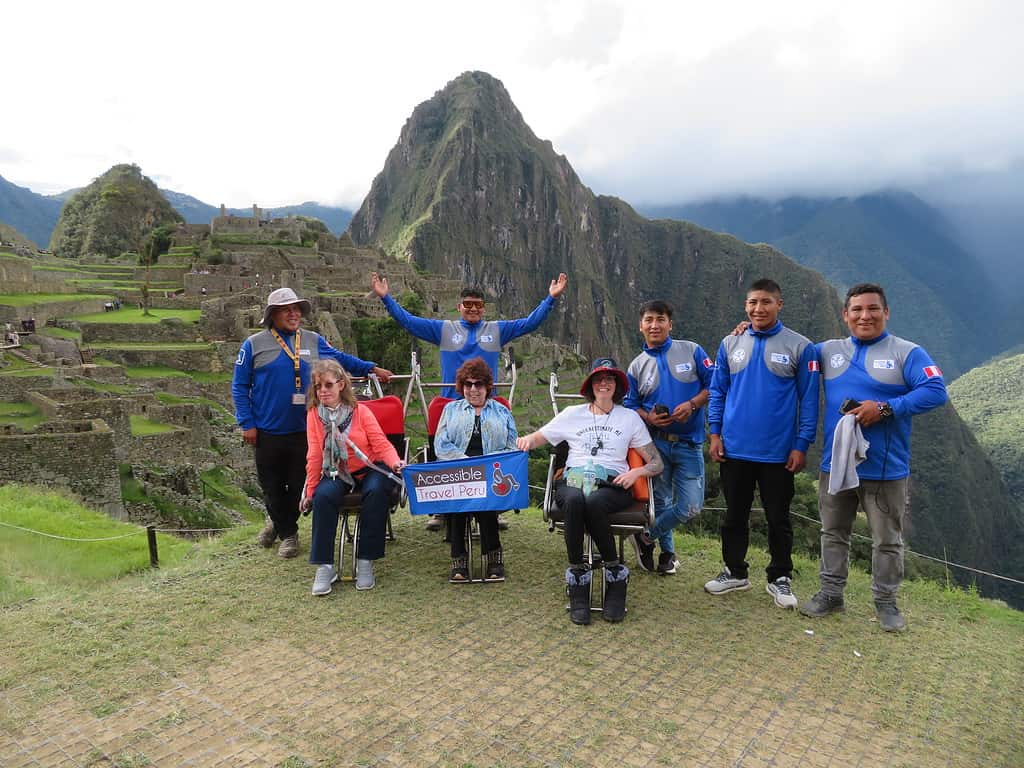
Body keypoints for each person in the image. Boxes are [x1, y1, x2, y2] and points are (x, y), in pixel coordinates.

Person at [371, 270, 567, 531]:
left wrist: (550, 299)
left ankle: (494, 506)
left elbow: (529, 323)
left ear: (484, 308)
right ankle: (442, 508)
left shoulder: (496, 330)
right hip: (451, 405)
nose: (473, 309)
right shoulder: (444, 330)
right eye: (468, 305)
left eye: (478, 305)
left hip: (486, 406)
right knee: (440, 445)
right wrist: (386, 299)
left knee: (491, 450)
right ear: (459, 307)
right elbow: (409, 322)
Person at [800, 284, 947, 632]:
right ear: (845, 315)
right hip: (836, 464)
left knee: (887, 540)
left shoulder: (906, 353)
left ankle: (886, 603)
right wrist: (744, 331)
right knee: (833, 532)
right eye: (857, 310)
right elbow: (788, 354)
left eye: (872, 309)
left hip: (885, 468)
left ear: (886, 312)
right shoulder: (827, 352)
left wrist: (884, 409)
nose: (864, 316)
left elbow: (935, 391)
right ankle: (830, 594)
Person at [231, 287, 393, 559]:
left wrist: (369, 368)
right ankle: (283, 524)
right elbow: (239, 386)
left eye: (297, 309)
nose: (293, 314)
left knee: (299, 484)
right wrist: (247, 422)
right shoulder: (253, 345)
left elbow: (340, 360)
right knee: (271, 485)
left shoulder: (313, 340)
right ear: (272, 315)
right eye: (286, 309)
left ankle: (287, 532)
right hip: (268, 429)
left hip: (307, 428)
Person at [517, 358, 663, 625]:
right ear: (590, 386)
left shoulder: (629, 418)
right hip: (574, 479)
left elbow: (656, 463)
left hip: (613, 483)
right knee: (573, 500)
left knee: (595, 502)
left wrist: (635, 472)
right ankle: (578, 579)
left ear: (617, 386)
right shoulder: (573, 413)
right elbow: (541, 436)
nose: (604, 383)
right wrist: (526, 440)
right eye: (599, 379)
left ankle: (614, 572)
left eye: (609, 379)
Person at [705, 279, 819, 609]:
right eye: (753, 302)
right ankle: (734, 571)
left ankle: (779, 577)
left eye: (766, 302)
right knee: (734, 516)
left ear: (779, 304)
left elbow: (809, 400)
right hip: (734, 448)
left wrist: (801, 444)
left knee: (778, 518)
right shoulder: (730, 343)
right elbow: (718, 391)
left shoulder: (801, 346)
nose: (759, 308)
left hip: (778, 452)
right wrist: (715, 434)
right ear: (745, 305)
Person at [624, 300, 714, 575]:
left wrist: (693, 405)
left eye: (660, 319)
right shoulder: (637, 366)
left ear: (670, 324)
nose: (654, 325)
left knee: (690, 506)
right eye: (649, 320)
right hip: (657, 443)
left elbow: (715, 384)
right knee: (661, 501)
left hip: (689, 443)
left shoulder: (692, 351)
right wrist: (648, 417)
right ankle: (669, 555)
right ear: (641, 326)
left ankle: (646, 536)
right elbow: (630, 404)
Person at [300, 360, 406, 593]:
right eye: (318, 386)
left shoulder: (361, 412)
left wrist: (396, 463)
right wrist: (310, 490)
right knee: (323, 497)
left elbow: (380, 445)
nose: (323, 391)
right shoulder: (313, 416)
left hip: (369, 467)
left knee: (376, 491)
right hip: (336, 469)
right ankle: (325, 566)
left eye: (328, 385)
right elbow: (315, 454)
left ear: (341, 385)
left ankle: (365, 561)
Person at [434, 358, 518, 582]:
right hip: (458, 469)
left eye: (478, 384)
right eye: (468, 384)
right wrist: (465, 463)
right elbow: (440, 444)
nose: (473, 389)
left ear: (487, 386)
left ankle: (494, 558)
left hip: (492, 472)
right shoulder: (450, 410)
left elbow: (511, 446)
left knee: (485, 500)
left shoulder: (501, 412)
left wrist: (486, 465)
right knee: (461, 499)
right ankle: (459, 560)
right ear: (462, 386)